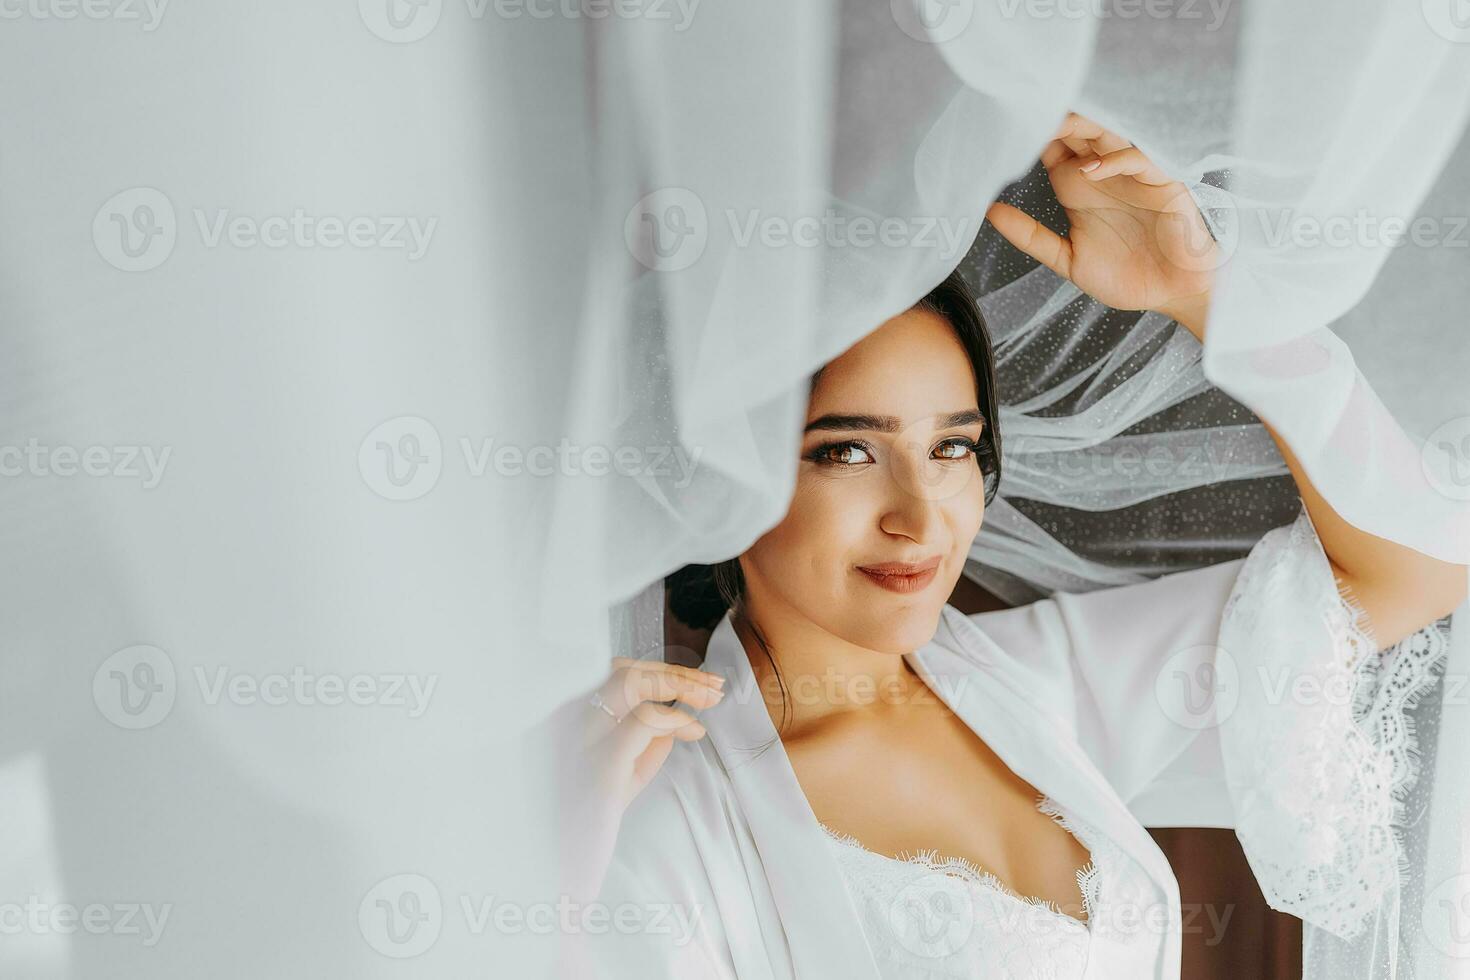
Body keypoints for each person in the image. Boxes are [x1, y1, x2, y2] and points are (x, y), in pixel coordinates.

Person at [561, 113, 1467, 979]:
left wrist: (1203, 297)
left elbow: (1416, 569)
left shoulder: (1036, 686)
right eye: (846, 451)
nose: (920, 516)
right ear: (724, 475)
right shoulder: (672, 816)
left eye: (951, 446)